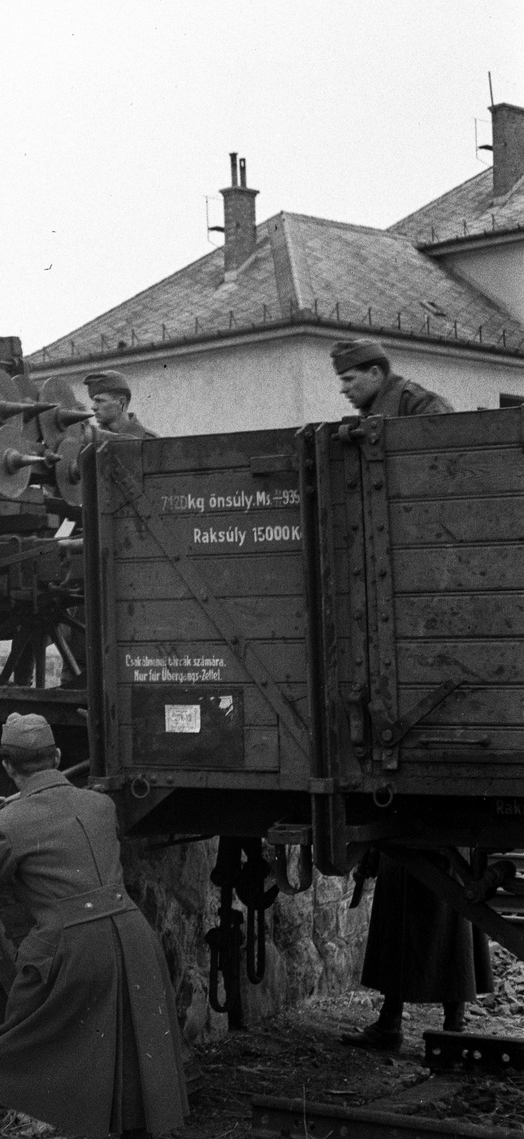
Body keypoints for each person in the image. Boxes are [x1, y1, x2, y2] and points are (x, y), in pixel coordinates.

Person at [0, 714, 187, 1139]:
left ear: (7, 766)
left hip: (69, 947)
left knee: (14, 1042)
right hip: (132, 937)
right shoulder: (100, 806)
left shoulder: (8, 824)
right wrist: (14, 809)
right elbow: (59, 825)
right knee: (132, 1045)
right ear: (56, 756)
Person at [330, 339, 483, 1048]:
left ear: (378, 372)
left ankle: (433, 1020)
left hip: (432, 757)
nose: (345, 388)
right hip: (416, 757)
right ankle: (411, 1020)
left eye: (351, 377)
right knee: (426, 892)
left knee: (435, 892)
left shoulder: (420, 408)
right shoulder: (376, 413)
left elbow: (438, 469)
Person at [331, 338, 453, 417]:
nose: (343, 389)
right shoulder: (369, 411)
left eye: (349, 379)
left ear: (374, 373)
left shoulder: (423, 406)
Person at [83, 370, 157, 440]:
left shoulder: (149, 440)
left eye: (99, 401)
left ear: (121, 403)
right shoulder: (91, 439)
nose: (93, 407)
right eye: (93, 401)